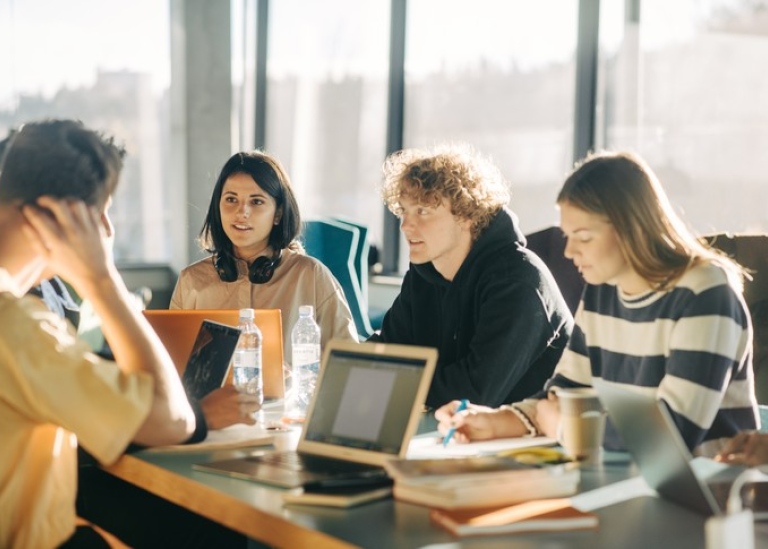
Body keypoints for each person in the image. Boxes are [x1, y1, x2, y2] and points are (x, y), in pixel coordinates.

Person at [435, 150, 759, 457]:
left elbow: (672, 435)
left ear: (631, 228)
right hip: (622, 478)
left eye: (584, 237)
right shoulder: (603, 290)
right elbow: (566, 393)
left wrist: (564, 427)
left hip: (705, 494)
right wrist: (494, 422)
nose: (569, 252)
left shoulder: (704, 293)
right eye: (567, 236)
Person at [0, 119, 198, 547]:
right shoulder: (16, 326)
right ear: (63, 215)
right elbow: (172, 420)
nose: (107, 230)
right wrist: (101, 278)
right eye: (102, 213)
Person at [367, 143, 573, 409]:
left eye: (423, 211)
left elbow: (475, 392)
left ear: (466, 215)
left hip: (530, 442)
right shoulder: (424, 273)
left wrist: (385, 380)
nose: (406, 225)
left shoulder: (518, 281)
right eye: (403, 211)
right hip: (457, 434)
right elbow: (385, 351)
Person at [170, 150, 358, 356]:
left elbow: (347, 362)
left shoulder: (311, 276)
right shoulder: (192, 281)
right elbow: (171, 365)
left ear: (278, 213)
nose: (242, 212)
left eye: (256, 201)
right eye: (231, 199)